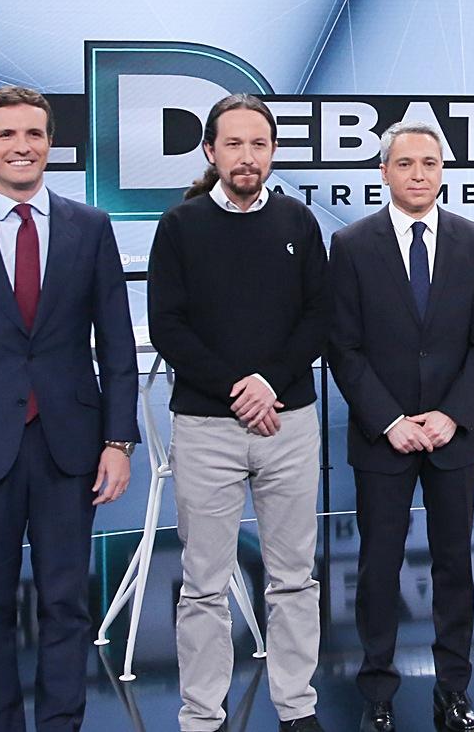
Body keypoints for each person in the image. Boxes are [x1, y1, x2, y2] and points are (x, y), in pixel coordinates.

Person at [0, 85, 139, 731]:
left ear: (50, 144)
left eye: (33, 134)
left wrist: (118, 443)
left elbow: (116, 344)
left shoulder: (89, 228)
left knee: (66, 607)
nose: (22, 146)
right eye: (6, 135)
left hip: (70, 447)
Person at [146, 94, 329, 732]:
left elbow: (319, 317)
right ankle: (202, 715)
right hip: (205, 428)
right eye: (233, 144)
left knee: (293, 578)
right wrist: (237, 387)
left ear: (272, 150)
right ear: (211, 151)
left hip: (288, 422)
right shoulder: (180, 225)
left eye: (258, 144)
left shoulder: (299, 224)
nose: (246, 157)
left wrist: (267, 384)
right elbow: (167, 326)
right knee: (203, 583)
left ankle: (297, 707)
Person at [328, 121, 474, 732]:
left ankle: (453, 690)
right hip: (385, 438)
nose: (419, 175)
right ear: (385, 172)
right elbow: (343, 348)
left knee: (457, 565)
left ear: (443, 171)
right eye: (406, 164)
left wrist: (451, 415)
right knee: (380, 565)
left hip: (454, 437)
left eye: (430, 163)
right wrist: (390, 421)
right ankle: (377, 691)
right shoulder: (351, 244)